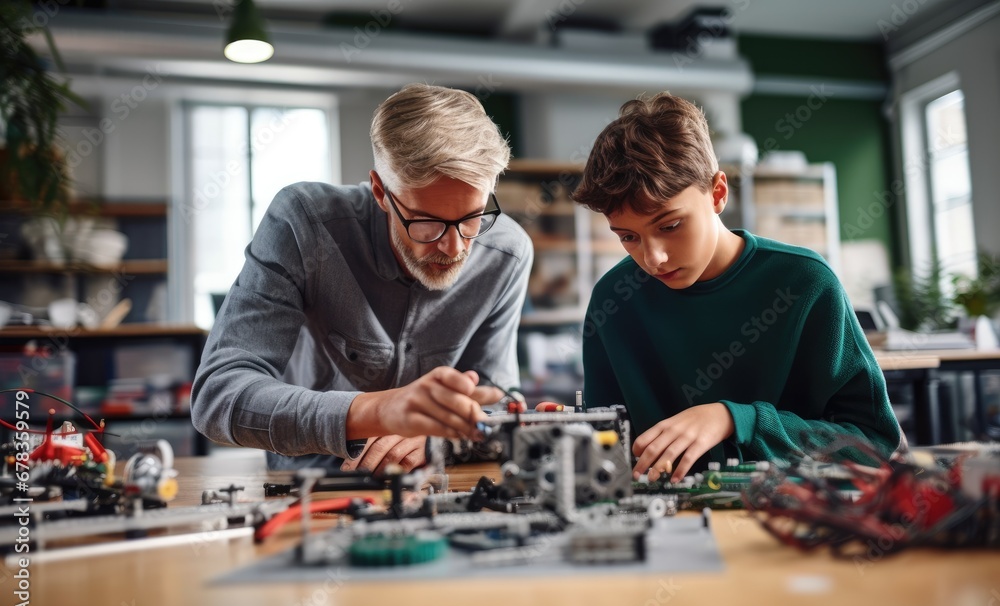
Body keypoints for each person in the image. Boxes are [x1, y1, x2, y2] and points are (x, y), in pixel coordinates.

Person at [191, 84, 533, 472]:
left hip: (438, 486)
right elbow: (218, 397)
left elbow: (499, 403)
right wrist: (380, 410)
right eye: (427, 222)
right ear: (380, 192)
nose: (455, 247)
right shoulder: (303, 224)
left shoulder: (507, 253)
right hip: (310, 486)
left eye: (472, 217)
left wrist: (439, 437)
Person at [572, 93, 902, 484]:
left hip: (795, 519)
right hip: (670, 525)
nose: (653, 258)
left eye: (670, 226)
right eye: (628, 236)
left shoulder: (806, 283)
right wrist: (567, 436)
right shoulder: (613, 299)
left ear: (717, 194)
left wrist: (736, 419)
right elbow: (606, 447)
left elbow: (872, 444)